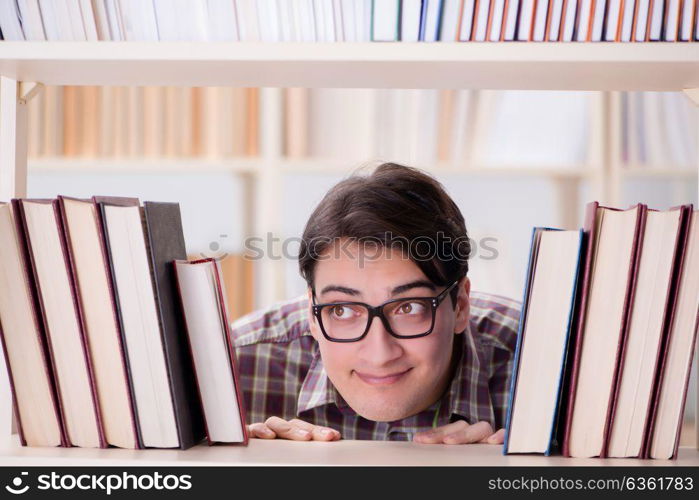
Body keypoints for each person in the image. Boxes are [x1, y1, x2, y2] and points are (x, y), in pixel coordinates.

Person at [231, 163, 520, 444]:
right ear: (311, 313)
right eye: (342, 310)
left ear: (460, 305)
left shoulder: (546, 370)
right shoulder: (233, 367)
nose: (380, 354)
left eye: (409, 307)